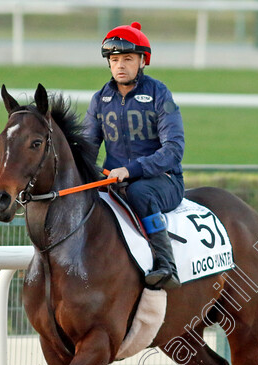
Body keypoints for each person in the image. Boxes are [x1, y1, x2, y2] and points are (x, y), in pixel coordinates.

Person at [84, 21, 184, 290]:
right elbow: (86, 149)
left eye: (127, 59)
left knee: (139, 193)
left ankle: (166, 266)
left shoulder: (160, 94)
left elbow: (174, 150)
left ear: (143, 61)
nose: (120, 65)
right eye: (114, 59)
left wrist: (131, 170)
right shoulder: (99, 100)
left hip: (163, 181)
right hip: (114, 182)